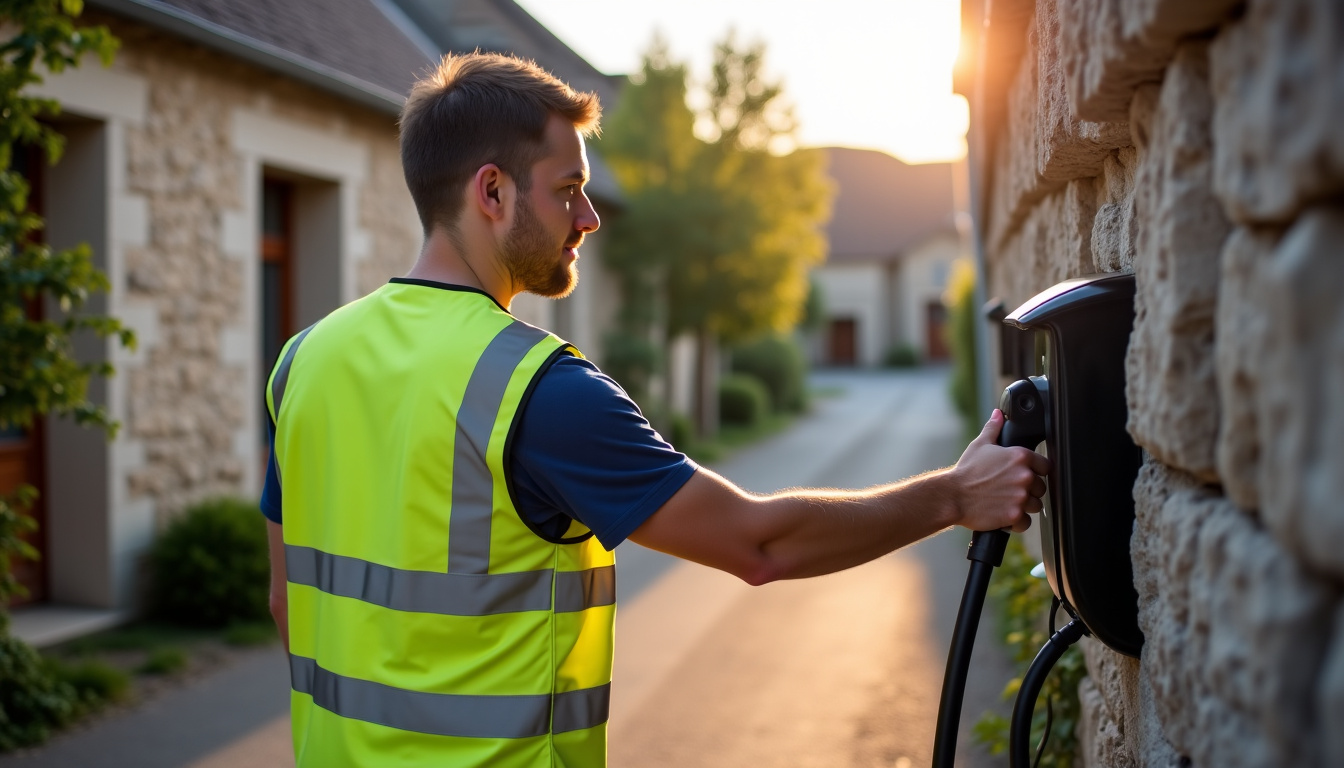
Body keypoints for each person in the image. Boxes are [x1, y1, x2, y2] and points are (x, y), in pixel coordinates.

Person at [260, 52, 1049, 768]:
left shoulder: (304, 362)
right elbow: (758, 544)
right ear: (491, 192)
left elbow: (286, 600)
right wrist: (955, 495)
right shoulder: (537, 389)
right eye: (567, 190)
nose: (589, 217)